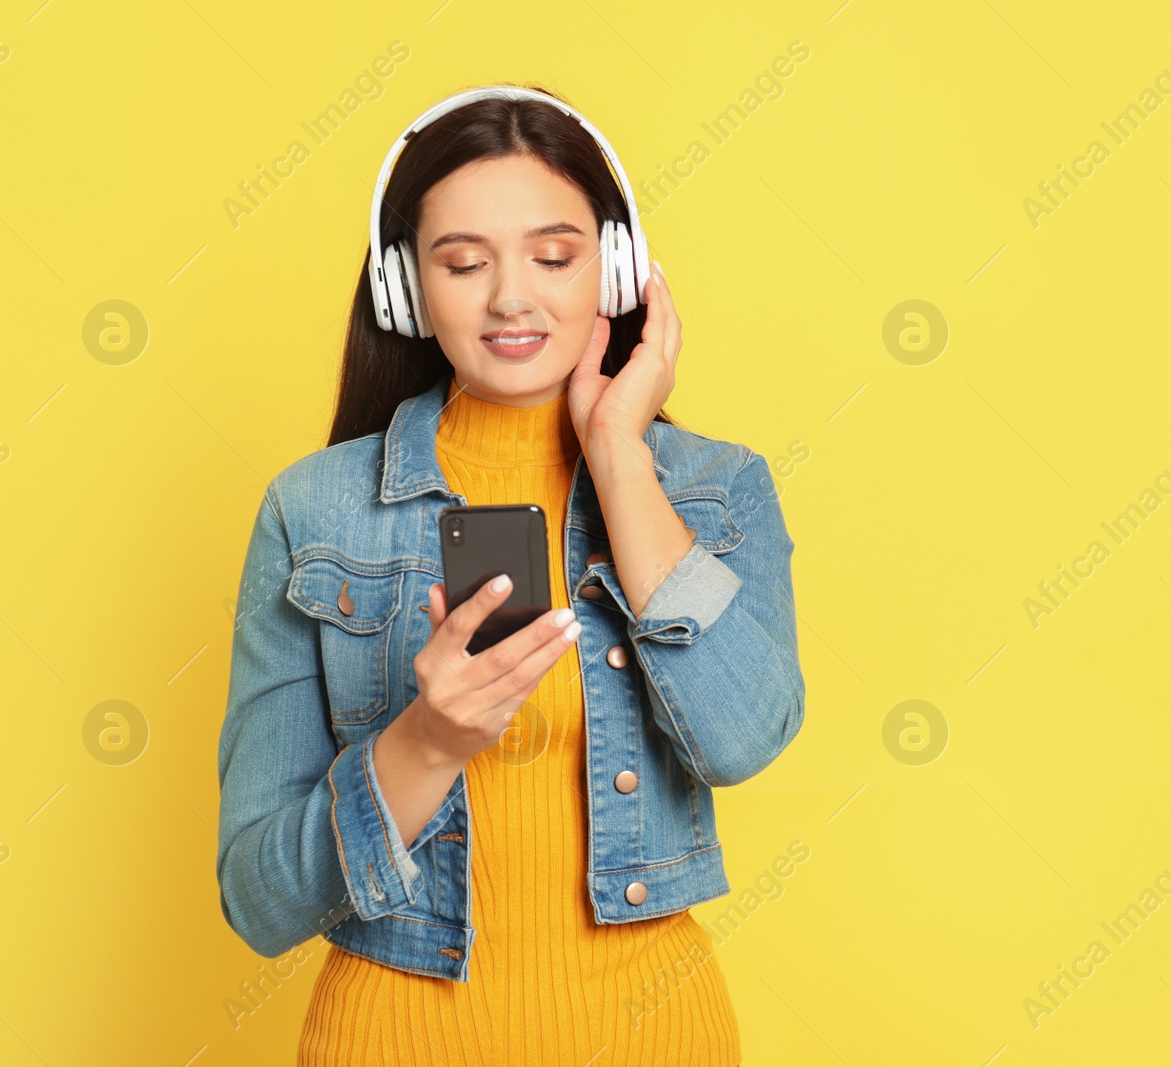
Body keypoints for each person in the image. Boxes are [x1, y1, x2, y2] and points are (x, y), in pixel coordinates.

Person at [215, 83, 806, 1066]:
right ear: (407, 289)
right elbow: (261, 900)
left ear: (614, 269)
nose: (510, 296)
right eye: (462, 262)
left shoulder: (712, 489)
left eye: (554, 254)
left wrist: (617, 454)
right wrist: (428, 738)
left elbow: (742, 737)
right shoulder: (309, 510)